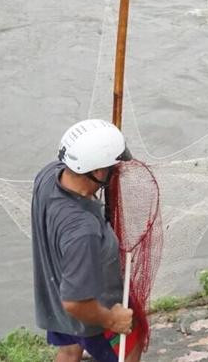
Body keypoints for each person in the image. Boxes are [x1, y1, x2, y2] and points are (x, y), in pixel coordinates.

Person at [32, 119, 134, 362]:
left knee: (69, 351)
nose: (116, 170)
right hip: (91, 314)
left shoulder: (48, 176)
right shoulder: (83, 230)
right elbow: (76, 303)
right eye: (113, 167)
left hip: (53, 292)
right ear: (98, 172)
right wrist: (112, 319)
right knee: (131, 349)